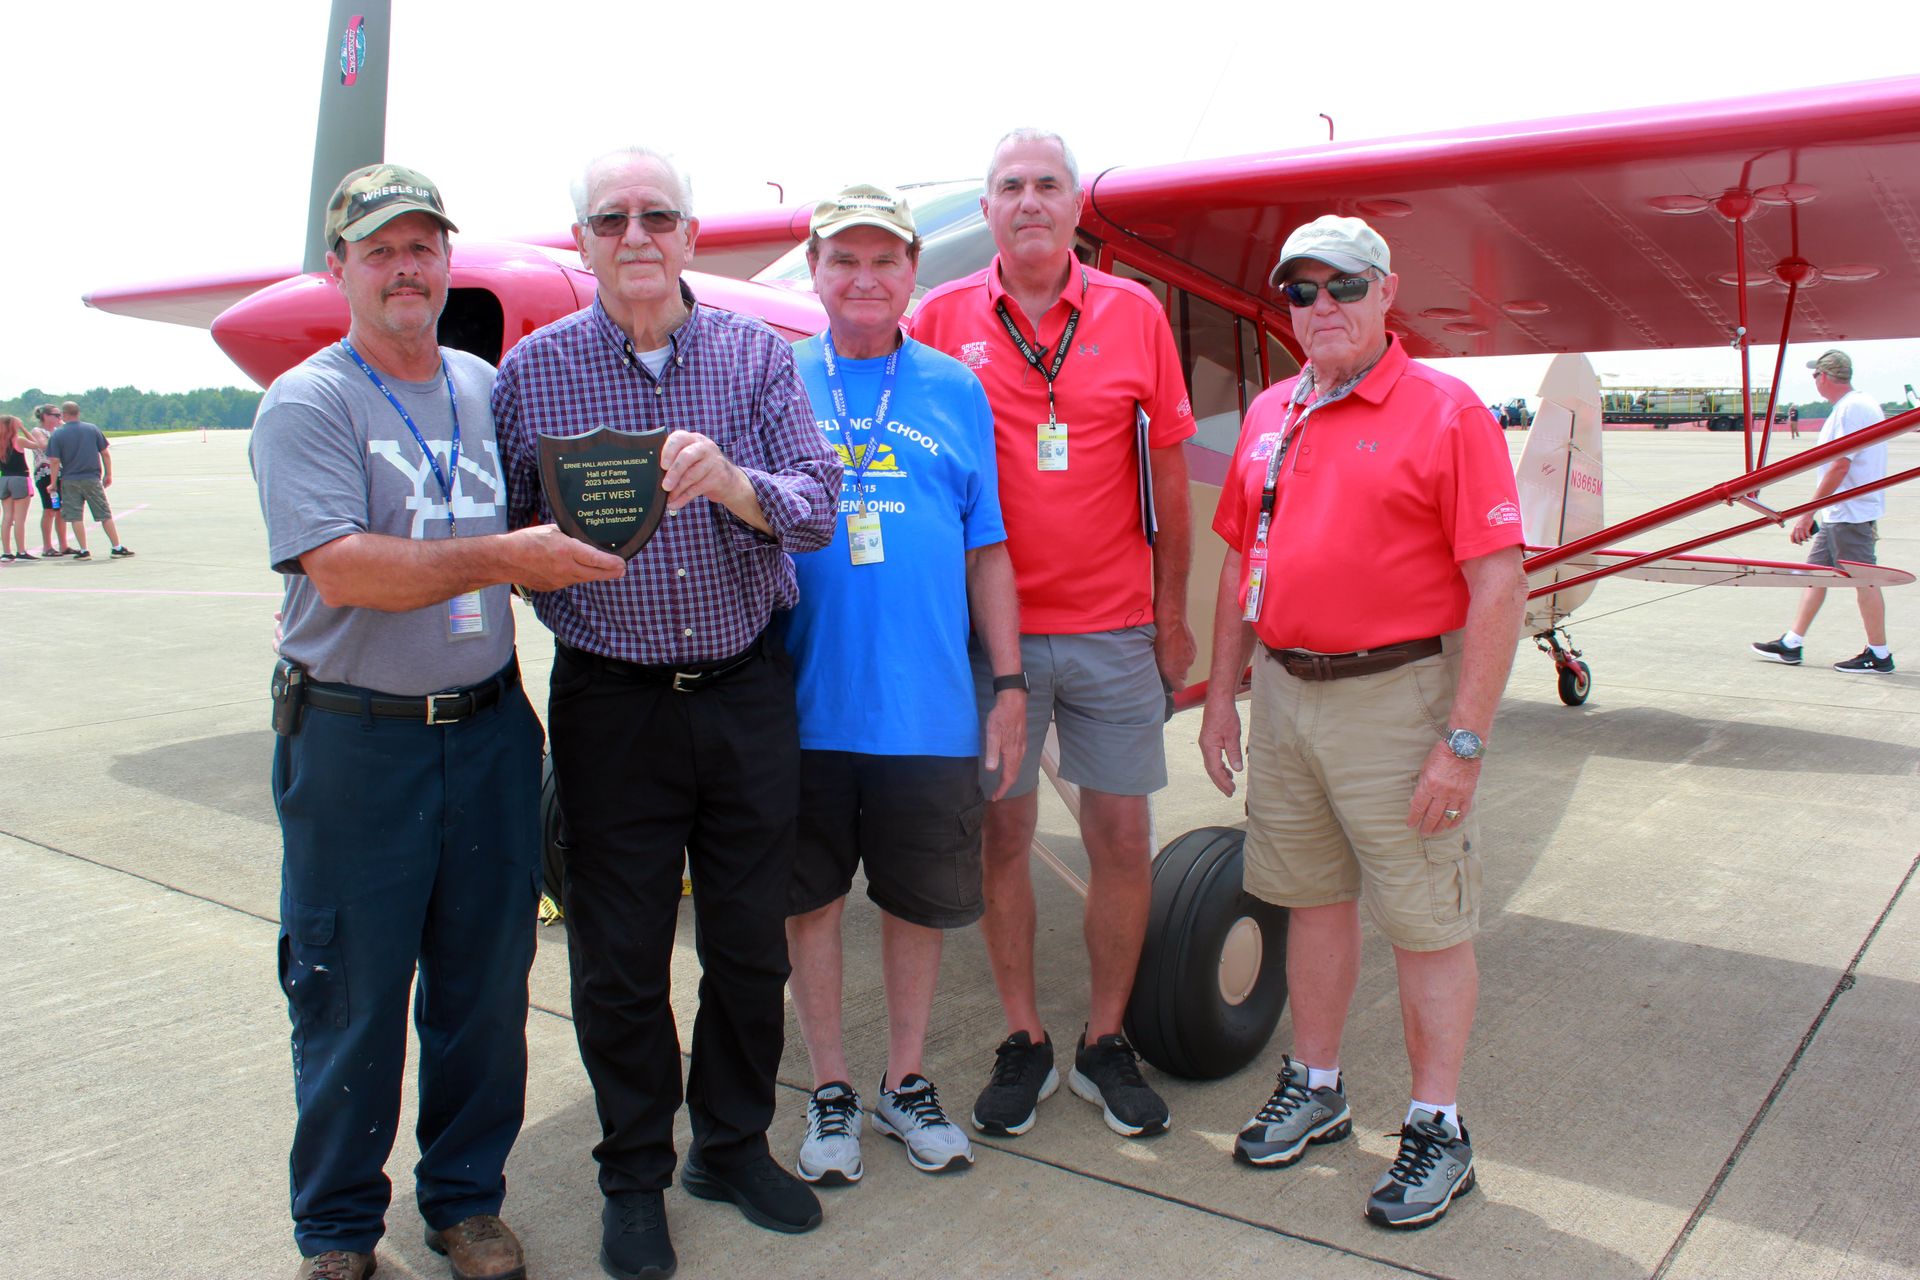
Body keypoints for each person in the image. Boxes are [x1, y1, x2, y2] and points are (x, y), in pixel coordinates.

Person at [249, 162, 625, 1280]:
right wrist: (510, 556)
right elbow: (346, 568)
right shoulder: (309, 401)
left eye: (423, 246)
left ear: (446, 262)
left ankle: (465, 1201)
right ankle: (336, 1231)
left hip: (490, 731)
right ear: (341, 269)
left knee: (482, 982)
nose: (406, 266)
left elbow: (554, 497)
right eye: (381, 249)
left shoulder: (479, 382)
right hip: (357, 738)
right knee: (350, 991)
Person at [493, 146, 840, 1279]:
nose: (634, 234)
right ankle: (634, 1171)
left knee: (747, 947)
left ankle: (730, 1144)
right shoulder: (532, 374)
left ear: (691, 236)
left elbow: (816, 507)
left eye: (657, 215)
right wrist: (546, 571)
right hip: (613, 704)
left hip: (743, 689)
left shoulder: (756, 358)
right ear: (581, 241)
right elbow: (503, 532)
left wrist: (736, 483)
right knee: (620, 960)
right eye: (610, 218)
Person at [1197, 214, 1529, 1229]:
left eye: (1343, 285)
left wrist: (1463, 739)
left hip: (1400, 697)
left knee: (1427, 922)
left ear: (1388, 293)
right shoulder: (1271, 410)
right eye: (1300, 290)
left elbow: (1499, 579)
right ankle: (1321, 1082)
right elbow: (1237, 566)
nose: (1322, 307)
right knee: (1311, 900)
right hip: (1287, 695)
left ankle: (1438, 1124)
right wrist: (1221, 690)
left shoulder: (1445, 408)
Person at [911, 128, 1196, 1141]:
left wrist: (1171, 619)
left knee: (1122, 837)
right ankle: (1025, 1035)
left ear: (1076, 207)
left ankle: (1106, 1036)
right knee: (1005, 836)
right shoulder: (938, 318)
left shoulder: (1134, 315)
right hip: (996, 642)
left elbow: (1167, 474)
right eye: (1008, 187)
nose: (1028, 200)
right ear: (985, 209)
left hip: (1116, 630)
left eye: (1047, 185)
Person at [779, 185, 1025, 1185]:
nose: (865, 276)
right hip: (801, 704)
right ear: (817, 271)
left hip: (927, 706)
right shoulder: (776, 376)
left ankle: (905, 1076)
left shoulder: (954, 389)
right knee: (813, 903)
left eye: (884, 258)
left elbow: (989, 551)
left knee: (917, 904)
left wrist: (1007, 681)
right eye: (845, 258)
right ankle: (832, 1085)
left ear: (912, 272)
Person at [1751, 349, 1893, 674]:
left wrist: (1807, 513)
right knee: (1815, 576)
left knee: (1864, 580)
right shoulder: (1855, 405)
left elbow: (1840, 465)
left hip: (1850, 514)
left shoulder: (1851, 409)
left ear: (1824, 377)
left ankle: (1880, 654)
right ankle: (1792, 643)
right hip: (1839, 514)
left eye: (1815, 375)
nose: (1814, 381)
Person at [45, 400, 132, 559]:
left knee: (75, 516)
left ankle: (84, 550)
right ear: (78, 413)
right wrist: (108, 474)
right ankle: (116, 546)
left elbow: (55, 461)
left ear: (64, 415)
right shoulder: (92, 429)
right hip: (91, 478)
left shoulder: (58, 434)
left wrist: (52, 483)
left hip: (70, 480)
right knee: (104, 514)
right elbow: (105, 453)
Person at [30, 406, 70, 557]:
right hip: (46, 474)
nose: (59, 418)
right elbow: (44, 446)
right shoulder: (38, 431)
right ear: (45, 416)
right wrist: (60, 433)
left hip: (61, 473)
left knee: (61, 509)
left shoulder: (58, 431)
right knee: (50, 509)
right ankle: (47, 546)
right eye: (56, 415)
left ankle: (64, 545)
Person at [1, 416, 33, 561]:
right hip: (20, 478)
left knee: (7, 517)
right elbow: (39, 444)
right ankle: (21, 551)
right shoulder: (18, 440)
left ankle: (6, 552)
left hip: (4, 479)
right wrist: (24, 429)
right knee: (20, 518)